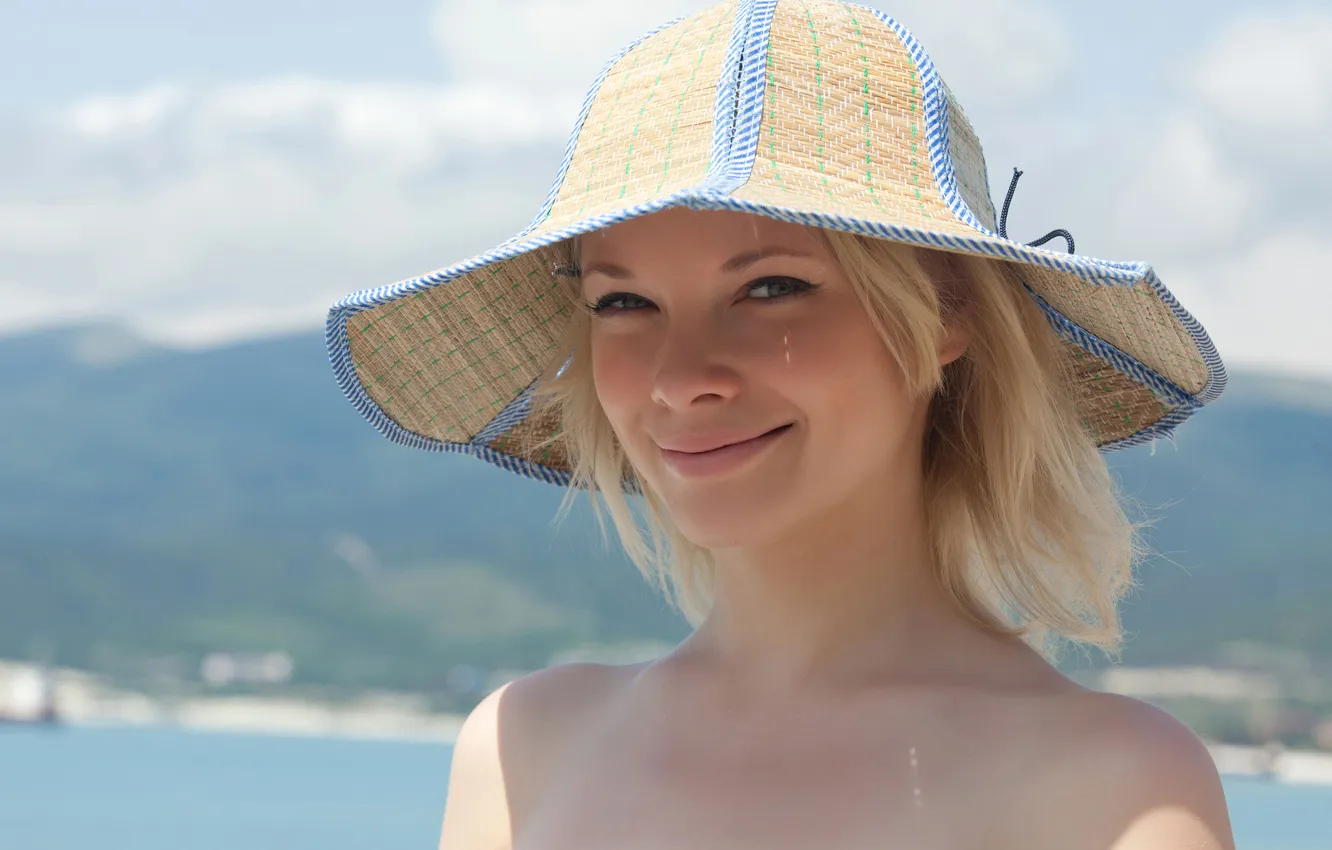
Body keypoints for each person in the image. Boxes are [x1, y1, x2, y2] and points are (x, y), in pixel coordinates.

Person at [325, 2, 1235, 847]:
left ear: (946, 312)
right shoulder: (519, 750)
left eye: (771, 288)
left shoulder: (1117, 793)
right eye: (623, 301)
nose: (681, 379)